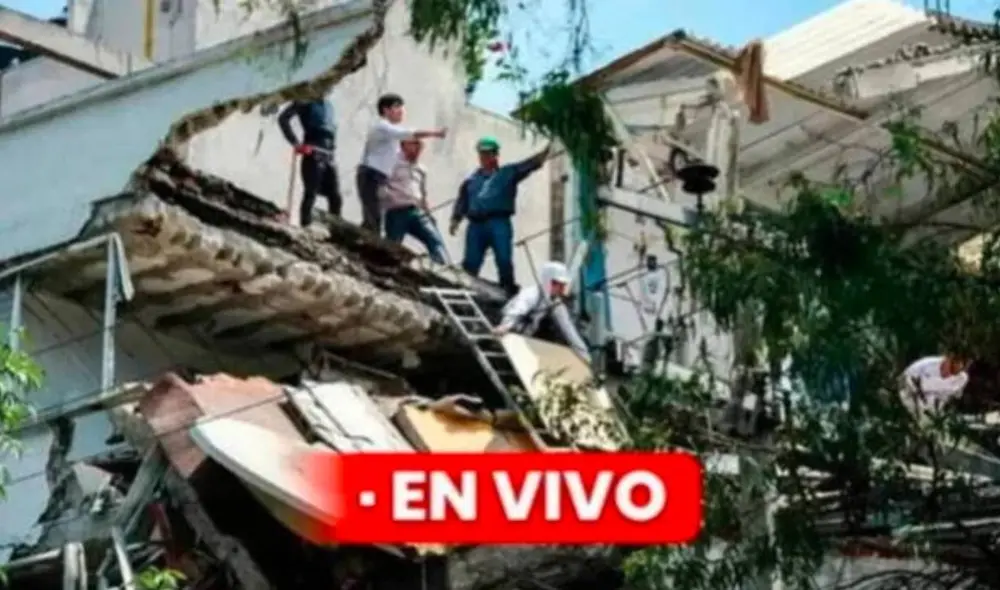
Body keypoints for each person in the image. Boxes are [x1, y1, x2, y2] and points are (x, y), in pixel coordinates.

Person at [450, 137, 551, 294]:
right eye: (482, 154)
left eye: (488, 154)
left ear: (496, 156)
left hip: (499, 223)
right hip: (476, 226)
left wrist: (546, 152)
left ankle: (508, 288)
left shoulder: (507, 173)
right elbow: (462, 201)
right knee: (471, 262)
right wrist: (455, 219)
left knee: (504, 259)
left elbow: (529, 165)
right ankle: (465, 289)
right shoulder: (471, 180)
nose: (485, 158)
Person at [358, 94, 447, 235]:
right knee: (372, 218)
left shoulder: (392, 135)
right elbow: (410, 134)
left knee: (373, 217)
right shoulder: (383, 126)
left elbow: (406, 150)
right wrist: (436, 133)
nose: (401, 111)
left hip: (378, 177)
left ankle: (363, 242)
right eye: (396, 107)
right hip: (371, 174)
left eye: (402, 107)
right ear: (385, 110)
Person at [493, 261, 591, 362]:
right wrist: (504, 326)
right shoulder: (531, 294)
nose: (561, 289)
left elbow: (569, 330)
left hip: (525, 337)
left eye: (563, 285)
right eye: (558, 284)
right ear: (549, 281)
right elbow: (516, 312)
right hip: (506, 329)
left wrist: (586, 357)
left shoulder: (555, 304)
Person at [380, 138, 449, 264]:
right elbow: (381, 186)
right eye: (414, 144)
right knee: (392, 246)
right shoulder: (391, 163)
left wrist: (428, 213)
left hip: (417, 213)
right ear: (403, 145)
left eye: (420, 145)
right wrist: (387, 200)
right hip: (396, 212)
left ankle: (442, 270)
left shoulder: (421, 169)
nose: (417, 148)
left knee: (435, 240)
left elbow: (423, 194)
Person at [277, 97, 341, 227]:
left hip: (329, 154)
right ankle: (305, 226)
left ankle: (335, 228)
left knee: (335, 197)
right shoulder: (305, 100)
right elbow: (283, 119)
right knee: (311, 192)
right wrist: (295, 143)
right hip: (313, 153)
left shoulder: (328, 104)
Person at [899, 354, 971, 418]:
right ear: (949, 359)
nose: (960, 367)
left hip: (935, 409)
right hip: (909, 393)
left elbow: (954, 397)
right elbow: (916, 385)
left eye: (964, 365)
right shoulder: (927, 366)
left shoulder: (961, 378)